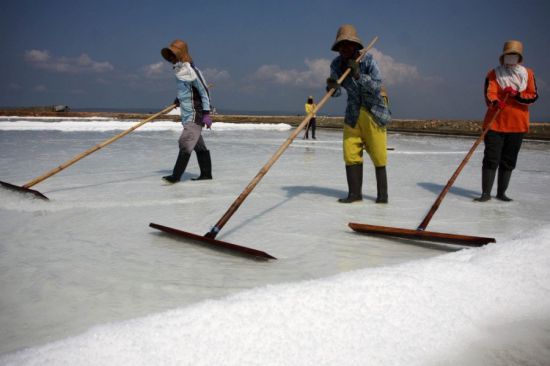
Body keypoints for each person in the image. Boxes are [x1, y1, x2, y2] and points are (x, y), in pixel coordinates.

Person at [326, 25, 391, 203]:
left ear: (355, 46)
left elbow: (377, 86)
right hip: (353, 113)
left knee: (378, 154)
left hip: (374, 112)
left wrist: (357, 75)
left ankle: (382, 196)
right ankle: (354, 194)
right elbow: (338, 92)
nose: (344, 49)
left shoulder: (368, 61)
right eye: (341, 46)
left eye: (348, 45)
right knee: (350, 152)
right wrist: (331, 88)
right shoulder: (336, 64)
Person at [475, 40, 538, 202]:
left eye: (514, 55)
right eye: (508, 55)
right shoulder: (493, 74)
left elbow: (533, 96)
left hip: (517, 125)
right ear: (503, 57)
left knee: (508, 160)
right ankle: (486, 193)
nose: (510, 58)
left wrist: (517, 95)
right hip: (495, 124)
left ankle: (501, 193)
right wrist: (496, 102)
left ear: (519, 58)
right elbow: (490, 94)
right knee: (491, 158)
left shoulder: (528, 74)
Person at [160, 39, 213, 183]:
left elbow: (204, 92)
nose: (171, 58)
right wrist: (178, 99)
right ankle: (206, 174)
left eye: (173, 55)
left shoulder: (192, 71)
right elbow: (186, 90)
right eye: (170, 55)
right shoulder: (180, 70)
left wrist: (207, 114)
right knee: (198, 145)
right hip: (187, 112)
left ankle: (175, 176)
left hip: (196, 113)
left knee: (185, 142)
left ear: (181, 54)